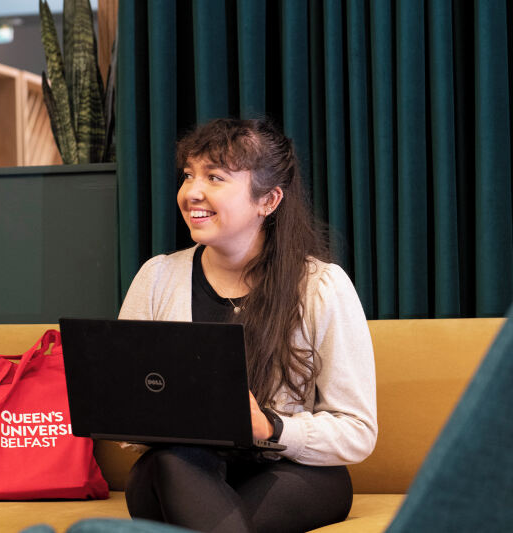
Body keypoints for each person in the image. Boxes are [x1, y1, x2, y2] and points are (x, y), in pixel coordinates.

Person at [119, 118, 377, 533]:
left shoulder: (321, 286)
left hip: (290, 472)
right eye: (189, 175)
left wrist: (272, 427)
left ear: (269, 200)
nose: (192, 192)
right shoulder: (157, 277)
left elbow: (358, 431)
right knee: (170, 460)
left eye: (215, 177)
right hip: (178, 468)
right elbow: (125, 417)